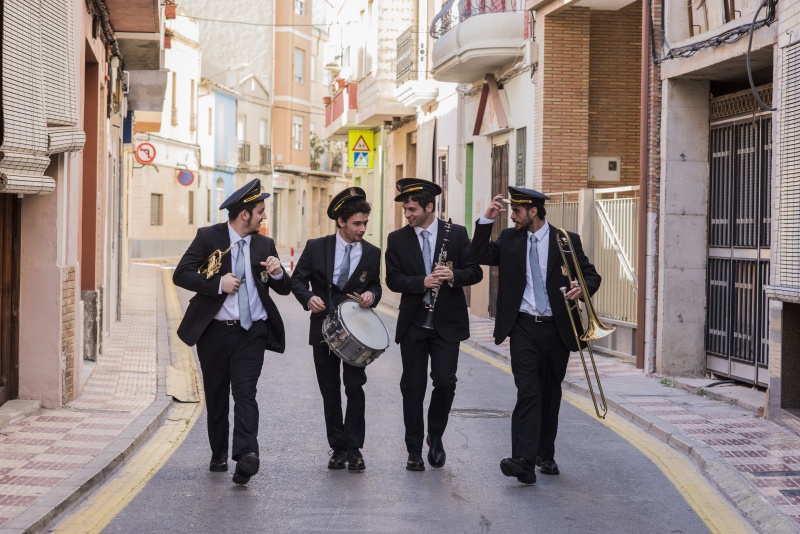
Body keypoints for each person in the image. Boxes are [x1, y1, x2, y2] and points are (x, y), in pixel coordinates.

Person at [471, 186, 601, 485]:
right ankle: (523, 462)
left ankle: (545, 454)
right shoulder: (509, 239)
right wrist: (486, 220)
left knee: (550, 393)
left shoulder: (566, 240)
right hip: (523, 327)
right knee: (528, 391)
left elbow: (590, 275)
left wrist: (582, 289)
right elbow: (477, 254)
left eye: (517, 211)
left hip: (557, 328)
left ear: (533, 211)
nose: (512, 216)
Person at [173, 178, 291, 485]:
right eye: (260, 211)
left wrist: (278, 273)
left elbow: (283, 288)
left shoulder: (264, 244)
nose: (264, 216)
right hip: (214, 332)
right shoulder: (208, 236)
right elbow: (181, 274)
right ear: (244, 215)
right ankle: (219, 453)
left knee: (245, 393)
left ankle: (247, 455)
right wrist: (217, 284)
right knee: (216, 395)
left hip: (252, 332)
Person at [385, 178, 483, 471]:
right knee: (413, 387)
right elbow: (392, 279)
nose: (407, 214)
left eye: (412, 209)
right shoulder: (397, 239)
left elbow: (475, 271)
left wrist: (453, 276)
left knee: (445, 382)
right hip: (414, 322)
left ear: (429, 207)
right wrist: (422, 282)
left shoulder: (457, 234)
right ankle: (414, 450)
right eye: (405, 209)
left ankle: (436, 435)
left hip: (447, 323)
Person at [291, 187, 382, 473]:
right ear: (341, 221)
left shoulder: (372, 253)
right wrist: (309, 298)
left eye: (365, 223)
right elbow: (297, 280)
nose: (362, 229)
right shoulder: (316, 247)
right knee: (329, 390)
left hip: (357, 333)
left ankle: (354, 449)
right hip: (323, 329)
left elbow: (375, 285)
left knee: (355, 387)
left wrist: (372, 295)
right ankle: (338, 448)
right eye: (357, 223)